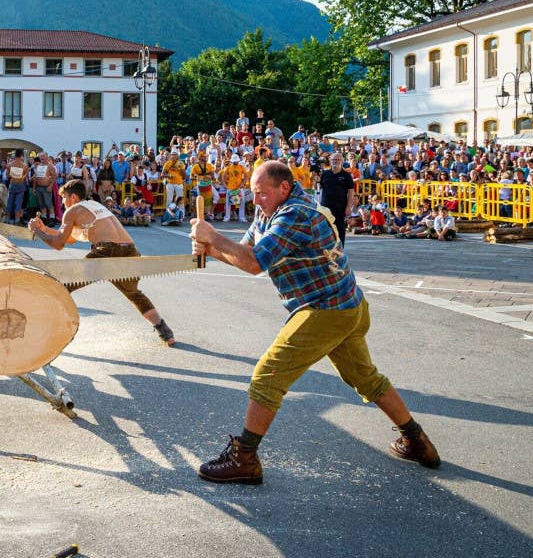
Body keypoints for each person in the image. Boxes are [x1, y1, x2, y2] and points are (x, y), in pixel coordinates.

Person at [189, 161, 440, 485]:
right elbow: (247, 253)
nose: (256, 201)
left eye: (261, 194)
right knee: (366, 378)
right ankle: (417, 441)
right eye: (253, 194)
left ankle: (245, 458)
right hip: (346, 304)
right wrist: (210, 249)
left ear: (283, 188)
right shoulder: (269, 210)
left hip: (326, 308)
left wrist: (212, 237)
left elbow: (253, 262)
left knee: (267, 375)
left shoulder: (295, 214)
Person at [29, 179, 176, 346]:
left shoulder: (72, 211)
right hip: (129, 250)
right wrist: (44, 229)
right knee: (134, 294)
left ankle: (46, 330)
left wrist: (36, 231)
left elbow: (59, 244)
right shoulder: (94, 205)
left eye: (64, 198)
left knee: (62, 285)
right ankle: (165, 332)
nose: (62, 203)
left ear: (73, 197)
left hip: (107, 251)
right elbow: (70, 238)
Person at [318, 154, 356, 246]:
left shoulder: (346, 175)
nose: (336, 161)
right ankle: (326, 250)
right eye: (334, 159)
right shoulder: (325, 174)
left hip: (340, 207)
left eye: (338, 159)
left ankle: (340, 250)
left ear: (342, 161)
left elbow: (351, 192)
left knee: (339, 229)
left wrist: (348, 207)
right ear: (330, 161)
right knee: (325, 229)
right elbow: (320, 190)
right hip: (325, 207)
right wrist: (319, 205)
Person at [5, 149, 29, 224]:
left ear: (15, 155)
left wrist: (13, 175)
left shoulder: (9, 164)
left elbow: (7, 176)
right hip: (20, 184)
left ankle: (7, 219)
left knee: (10, 202)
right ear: (22, 155)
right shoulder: (25, 166)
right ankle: (17, 220)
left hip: (12, 183)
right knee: (18, 203)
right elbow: (24, 177)